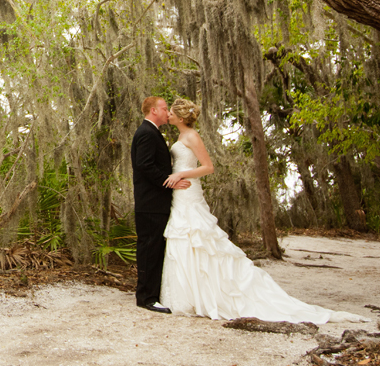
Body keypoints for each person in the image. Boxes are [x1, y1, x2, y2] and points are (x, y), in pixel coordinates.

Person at [159, 98, 367, 323]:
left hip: (189, 192)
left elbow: (208, 167)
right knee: (184, 238)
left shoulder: (191, 136)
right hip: (179, 192)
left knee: (198, 237)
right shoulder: (180, 136)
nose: (168, 114)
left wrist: (181, 174)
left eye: (170, 112)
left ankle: (210, 294)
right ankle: (188, 294)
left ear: (180, 118)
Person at [131, 95, 190, 313]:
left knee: (155, 249)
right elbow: (145, 165)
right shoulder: (146, 133)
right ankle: (146, 298)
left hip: (155, 203)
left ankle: (151, 293)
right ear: (154, 111)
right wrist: (169, 183)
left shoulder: (152, 132)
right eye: (165, 109)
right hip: (150, 203)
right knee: (149, 249)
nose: (168, 112)